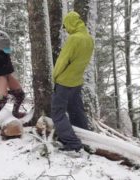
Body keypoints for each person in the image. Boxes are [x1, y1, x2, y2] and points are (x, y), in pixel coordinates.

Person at [51, 11, 94, 152]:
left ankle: (72, 144)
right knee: (77, 112)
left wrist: (54, 77)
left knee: (57, 114)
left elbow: (62, 60)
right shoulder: (89, 39)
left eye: (66, 26)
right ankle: (87, 141)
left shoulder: (74, 39)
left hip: (64, 81)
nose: (66, 29)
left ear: (70, 23)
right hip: (77, 81)